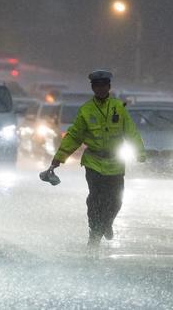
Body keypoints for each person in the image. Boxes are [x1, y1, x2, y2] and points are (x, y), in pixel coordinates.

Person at [49, 70, 145, 249]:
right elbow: (74, 136)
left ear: (109, 87)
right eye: (97, 86)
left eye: (104, 85)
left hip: (115, 163)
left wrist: (139, 152)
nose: (101, 89)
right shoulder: (86, 110)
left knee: (116, 200)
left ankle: (107, 222)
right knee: (95, 199)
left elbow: (131, 132)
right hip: (93, 162)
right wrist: (59, 158)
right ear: (93, 88)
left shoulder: (118, 108)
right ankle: (94, 235)